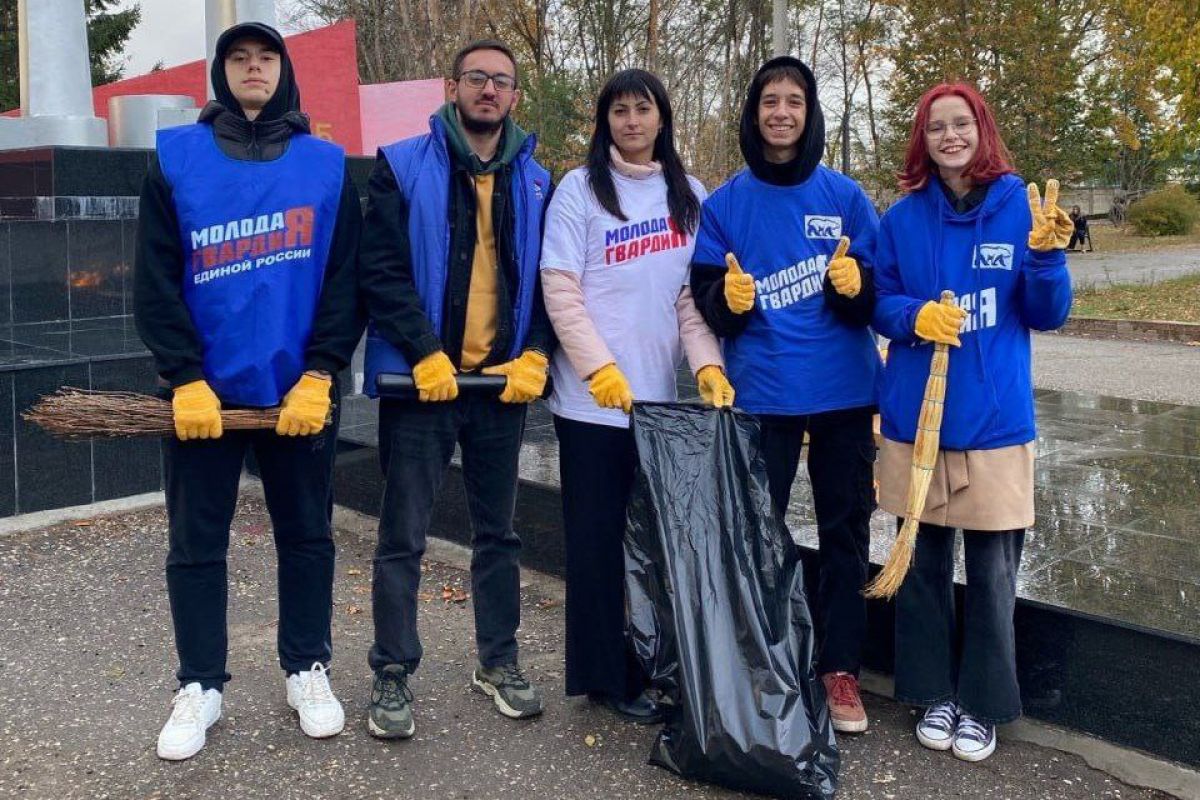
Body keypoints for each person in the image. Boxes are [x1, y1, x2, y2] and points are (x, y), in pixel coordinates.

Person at [134, 22, 363, 760]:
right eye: (239, 59)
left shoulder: (326, 167)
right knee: (196, 544)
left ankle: (306, 666)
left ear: (284, 70)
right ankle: (200, 684)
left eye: (266, 58)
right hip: (204, 400)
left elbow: (344, 282)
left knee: (307, 538)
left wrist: (323, 372)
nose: (253, 69)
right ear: (221, 72)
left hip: (297, 398)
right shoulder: (176, 160)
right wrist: (184, 378)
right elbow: (154, 281)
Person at [359, 39, 555, 739]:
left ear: (514, 97)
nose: (489, 91)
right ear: (452, 85)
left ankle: (497, 662)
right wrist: (424, 353)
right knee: (402, 534)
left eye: (502, 82)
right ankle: (391, 672)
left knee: (498, 535)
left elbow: (548, 283)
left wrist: (534, 352)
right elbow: (379, 270)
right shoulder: (400, 166)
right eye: (477, 78)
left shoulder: (537, 181)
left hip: (499, 390)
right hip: (424, 387)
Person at [871, 82, 1072, 763]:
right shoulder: (902, 218)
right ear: (922, 140)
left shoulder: (1020, 208)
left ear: (982, 130)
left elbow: (1046, 314)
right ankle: (932, 693)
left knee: (991, 577)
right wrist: (911, 316)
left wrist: (1045, 258)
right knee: (922, 568)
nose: (949, 136)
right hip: (917, 426)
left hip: (992, 425)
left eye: (961, 124)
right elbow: (880, 302)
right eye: (936, 127)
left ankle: (983, 704)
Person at [689, 56, 881, 734]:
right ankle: (760, 664)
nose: (780, 112)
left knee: (845, 535)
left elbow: (876, 300)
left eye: (793, 101)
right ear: (754, 112)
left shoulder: (846, 197)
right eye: (769, 100)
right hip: (762, 396)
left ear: (809, 112)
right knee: (758, 539)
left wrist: (854, 287)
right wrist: (729, 301)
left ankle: (840, 670)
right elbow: (710, 306)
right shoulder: (726, 204)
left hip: (843, 396)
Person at [540, 69, 733, 722]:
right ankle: (604, 676)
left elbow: (689, 298)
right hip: (592, 404)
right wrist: (598, 369)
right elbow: (561, 288)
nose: (630, 121)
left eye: (642, 109)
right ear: (605, 120)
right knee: (595, 545)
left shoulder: (688, 195)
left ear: (662, 117)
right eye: (618, 110)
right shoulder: (580, 190)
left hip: (656, 405)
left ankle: (656, 660)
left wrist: (706, 368)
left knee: (649, 544)